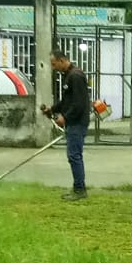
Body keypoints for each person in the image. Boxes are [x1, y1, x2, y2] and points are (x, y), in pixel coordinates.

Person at [41, 49, 91, 201]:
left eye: (54, 64)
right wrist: (52, 110)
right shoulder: (68, 76)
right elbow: (66, 102)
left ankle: (80, 190)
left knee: (74, 155)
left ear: (62, 60)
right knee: (73, 155)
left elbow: (79, 104)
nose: (53, 67)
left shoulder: (75, 76)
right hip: (73, 122)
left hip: (77, 122)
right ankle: (78, 188)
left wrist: (65, 117)